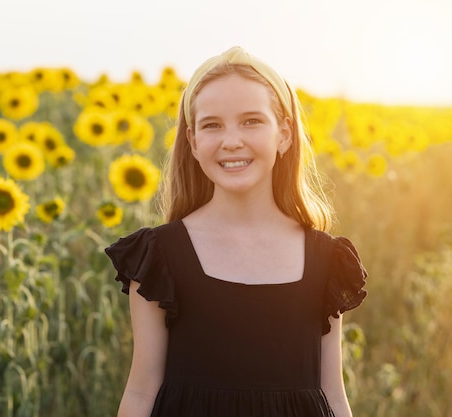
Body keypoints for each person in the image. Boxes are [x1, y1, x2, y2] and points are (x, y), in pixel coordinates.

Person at [105, 46, 367, 417]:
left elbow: (334, 395)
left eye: (251, 121)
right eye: (212, 125)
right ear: (193, 142)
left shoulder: (326, 260)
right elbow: (141, 392)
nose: (231, 141)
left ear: (285, 135)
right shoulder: (159, 257)